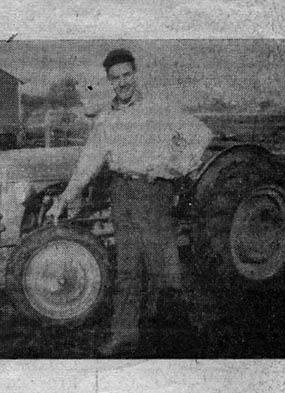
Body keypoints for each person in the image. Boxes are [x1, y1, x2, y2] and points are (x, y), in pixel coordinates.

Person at [45, 48, 212, 356]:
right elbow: (88, 163)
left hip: (153, 194)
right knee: (127, 271)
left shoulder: (159, 108)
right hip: (122, 194)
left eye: (126, 75)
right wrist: (64, 198)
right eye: (115, 78)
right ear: (109, 82)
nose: (122, 83)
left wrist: (174, 167)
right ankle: (124, 338)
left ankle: (180, 339)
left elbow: (199, 135)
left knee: (165, 270)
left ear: (135, 74)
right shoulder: (106, 119)